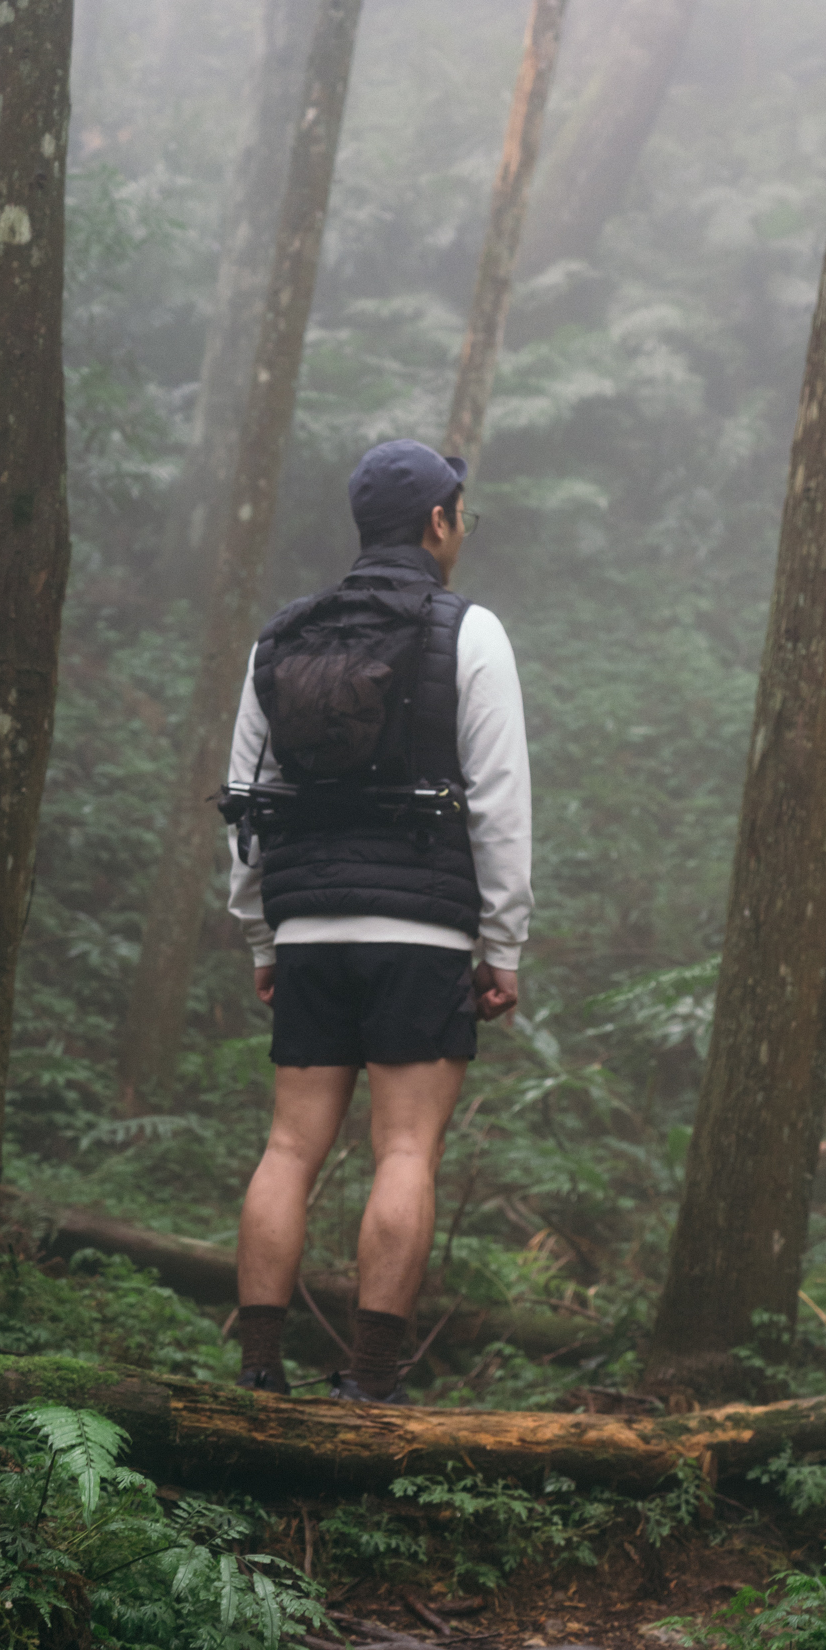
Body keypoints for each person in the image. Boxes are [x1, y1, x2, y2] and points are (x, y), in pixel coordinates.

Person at [225, 438, 532, 1403]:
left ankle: (260, 1370)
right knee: (405, 1150)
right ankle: (368, 1384)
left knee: (287, 1148)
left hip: (309, 925)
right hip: (423, 931)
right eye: (460, 519)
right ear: (438, 523)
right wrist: (503, 942)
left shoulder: (281, 638)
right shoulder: (467, 631)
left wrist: (263, 933)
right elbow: (499, 800)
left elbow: (247, 794)